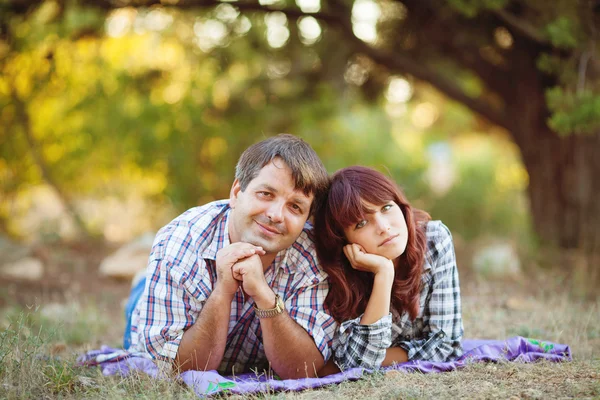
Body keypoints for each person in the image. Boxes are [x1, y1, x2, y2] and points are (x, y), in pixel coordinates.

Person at [126, 134, 336, 379]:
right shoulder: (181, 240)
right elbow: (177, 370)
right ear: (236, 192)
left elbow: (303, 371)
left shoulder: (314, 257)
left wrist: (264, 295)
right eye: (266, 194)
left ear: (306, 219)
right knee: (139, 304)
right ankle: (140, 283)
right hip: (148, 314)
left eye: (295, 207)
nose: (276, 215)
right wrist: (223, 289)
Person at [314, 166, 463, 372]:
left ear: (400, 205)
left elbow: (446, 346)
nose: (383, 226)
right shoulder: (338, 274)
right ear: (344, 240)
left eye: (386, 208)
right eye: (362, 223)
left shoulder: (434, 240)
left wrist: (379, 356)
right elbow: (357, 366)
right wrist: (383, 274)